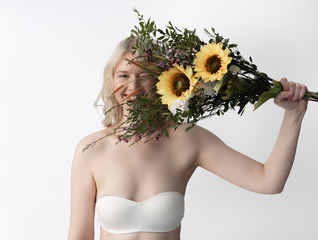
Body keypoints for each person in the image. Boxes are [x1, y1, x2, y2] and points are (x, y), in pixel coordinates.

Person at [67, 37, 308, 240]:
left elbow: (268, 181)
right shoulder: (91, 149)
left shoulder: (187, 139)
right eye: (123, 75)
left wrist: (293, 116)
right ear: (111, 80)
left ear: (161, 81)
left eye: (144, 75)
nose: (134, 85)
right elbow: (79, 236)